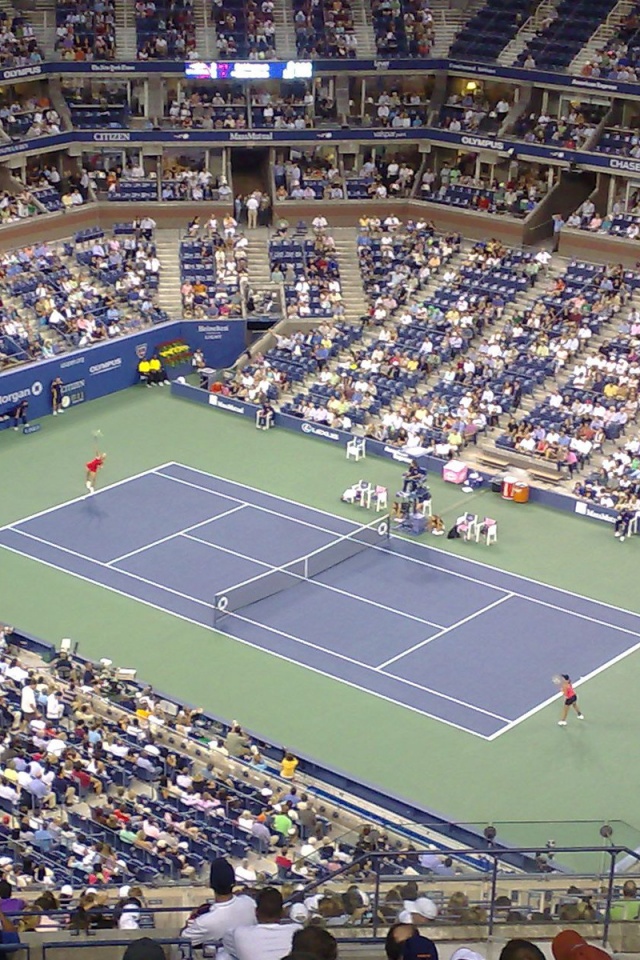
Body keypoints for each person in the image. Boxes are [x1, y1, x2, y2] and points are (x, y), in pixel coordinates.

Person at [180, 857, 256, 953]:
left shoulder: (204, 921)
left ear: (211, 884)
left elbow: (183, 941)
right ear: (235, 883)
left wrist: (188, 924)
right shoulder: (249, 903)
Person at [224, 887, 301, 960]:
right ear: (282, 912)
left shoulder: (238, 933)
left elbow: (227, 944)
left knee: (223, 954)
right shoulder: (297, 931)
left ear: (256, 911)